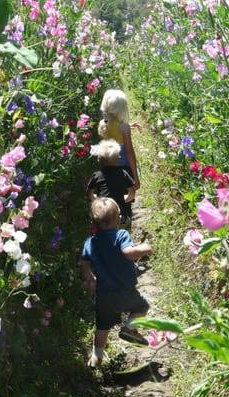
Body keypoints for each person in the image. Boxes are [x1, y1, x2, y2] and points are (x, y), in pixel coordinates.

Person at [80, 197, 152, 368]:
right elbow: (128, 253)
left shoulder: (90, 242)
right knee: (142, 307)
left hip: (104, 294)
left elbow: (84, 264)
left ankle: (96, 357)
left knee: (102, 327)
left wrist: (90, 278)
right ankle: (129, 328)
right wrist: (144, 247)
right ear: (119, 219)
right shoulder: (121, 235)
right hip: (125, 291)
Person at [86, 139, 135, 227]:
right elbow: (132, 192)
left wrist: (97, 199)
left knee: (98, 227)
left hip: (102, 215)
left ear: (98, 160)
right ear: (118, 159)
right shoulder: (123, 173)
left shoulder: (97, 175)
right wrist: (124, 199)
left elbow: (89, 193)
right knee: (124, 225)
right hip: (119, 215)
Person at [98, 89, 140, 190]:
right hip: (123, 167)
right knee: (125, 196)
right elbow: (130, 153)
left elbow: (113, 130)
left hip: (107, 166)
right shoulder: (124, 127)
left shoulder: (102, 124)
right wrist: (136, 177)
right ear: (121, 108)